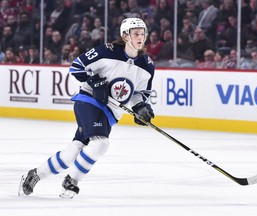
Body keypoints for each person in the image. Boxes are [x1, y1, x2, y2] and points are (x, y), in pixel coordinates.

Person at [18, 18, 155, 199]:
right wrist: (94, 83)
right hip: (89, 100)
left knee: (72, 153)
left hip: (110, 113)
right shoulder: (108, 51)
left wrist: (141, 108)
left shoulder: (147, 65)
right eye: (136, 33)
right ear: (125, 35)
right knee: (101, 144)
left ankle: (34, 175)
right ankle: (72, 181)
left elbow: (140, 94)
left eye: (143, 33)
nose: (140, 37)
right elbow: (77, 67)